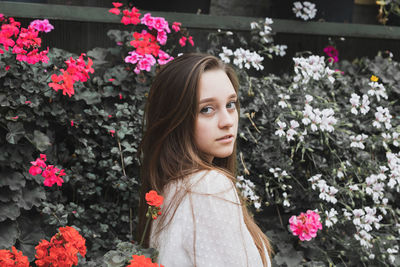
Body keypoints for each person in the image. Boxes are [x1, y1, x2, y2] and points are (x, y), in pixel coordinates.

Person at [137, 53, 272, 267]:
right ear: (176, 119)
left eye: (230, 104)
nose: (227, 121)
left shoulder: (172, 189)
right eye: (206, 109)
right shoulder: (207, 186)